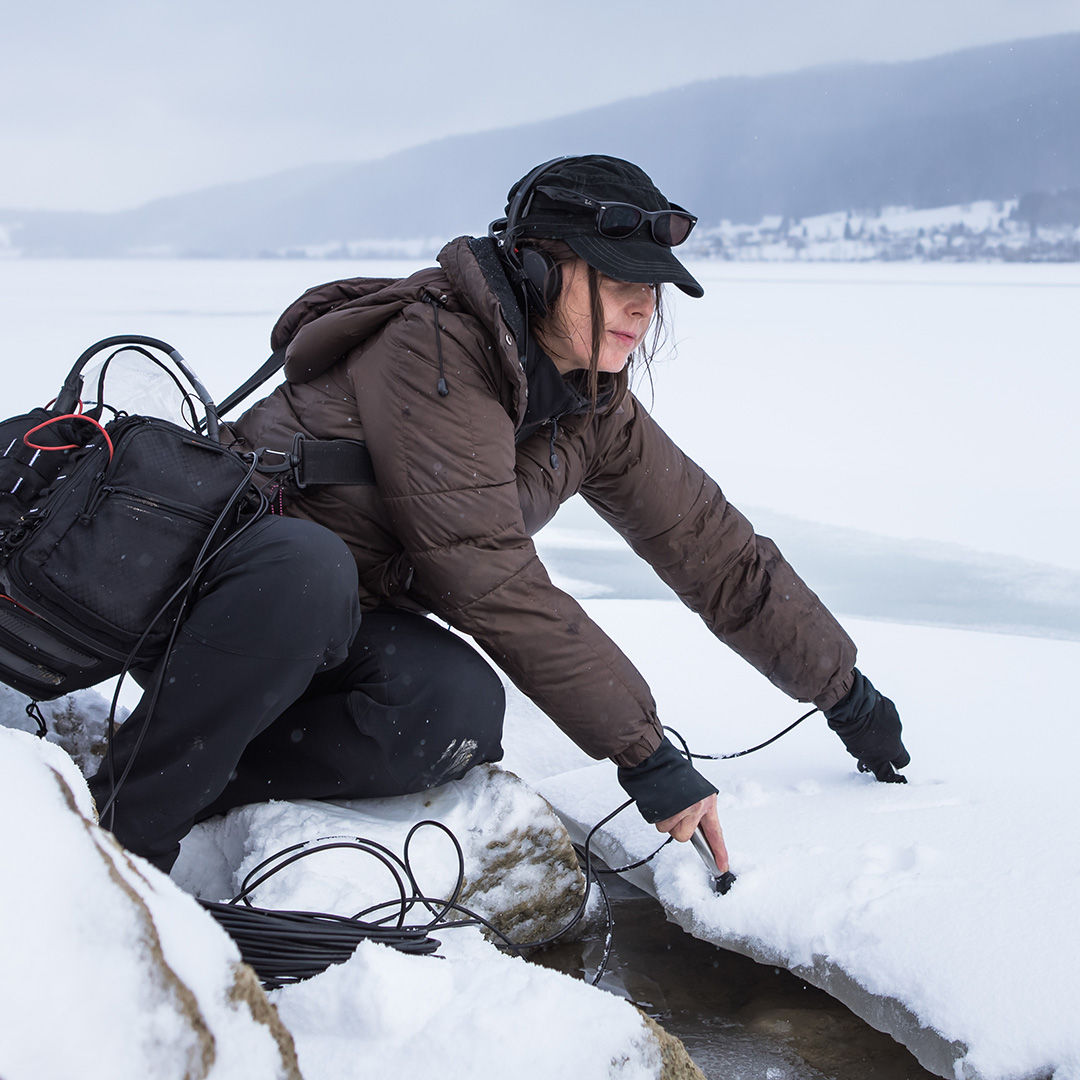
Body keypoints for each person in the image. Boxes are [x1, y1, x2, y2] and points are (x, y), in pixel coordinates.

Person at [88, 154, 909, 875]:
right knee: (310, 568)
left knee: (456, 711)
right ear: (543, 271)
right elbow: (487, 572)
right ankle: (126, 831)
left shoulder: (592, 406)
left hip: (346, 621)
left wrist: (845, 693)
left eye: (652, 287)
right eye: (619, 280)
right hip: (226, 609)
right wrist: (647, 755)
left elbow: (713, 551)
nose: (643, 307)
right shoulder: (432, 348)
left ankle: (205, 783)